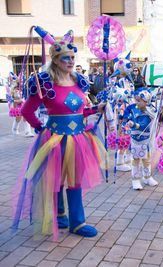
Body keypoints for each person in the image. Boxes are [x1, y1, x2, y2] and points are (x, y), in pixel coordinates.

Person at [13, 29, 110, 238]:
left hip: (79, 138)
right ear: (55, 60)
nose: (71, 61)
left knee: (74, 180)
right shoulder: (44, 83)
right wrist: (41, 129)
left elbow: (78, 112)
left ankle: (77, 222)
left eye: (73, 57)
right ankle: (58, 214)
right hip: (55, 140)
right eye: (66, 58)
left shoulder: (78, 81)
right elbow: (26, 111)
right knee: (55, 180)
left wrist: (96, 109)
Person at [124, 88, 159, 190]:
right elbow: (127, 114)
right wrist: (127, 119)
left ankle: (147, 177)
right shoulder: (133, 108)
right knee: (135, 160)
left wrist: (134, 124)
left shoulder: (150, 112)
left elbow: (144, 125)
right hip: (135, 139)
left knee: (146, 160)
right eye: (136, 100)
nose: (137, 102)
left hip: (145, 140)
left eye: (139, 101)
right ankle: (135, 180)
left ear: (146, 101)